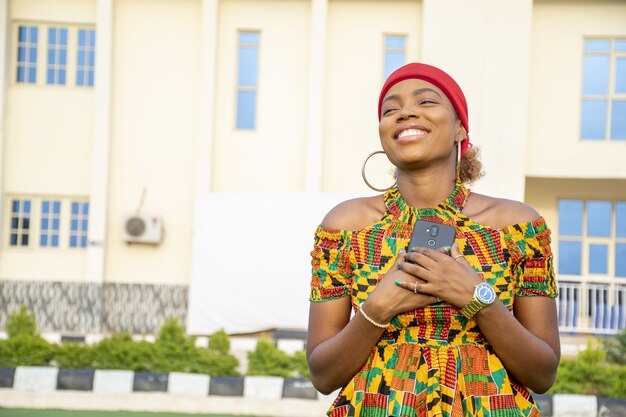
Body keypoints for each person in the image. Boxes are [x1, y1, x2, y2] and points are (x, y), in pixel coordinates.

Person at [306, 63, 560, 417]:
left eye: (426, 101)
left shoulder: (518, 227)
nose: (405, 111)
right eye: (390, 109)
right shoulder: (344, 229)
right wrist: (379, 308)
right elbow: (322, 374)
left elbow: (543, 373)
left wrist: (477, 298)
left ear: (459, 128)